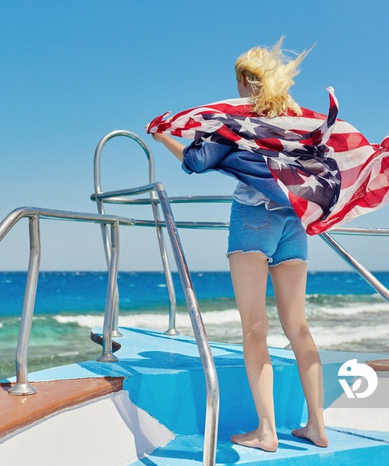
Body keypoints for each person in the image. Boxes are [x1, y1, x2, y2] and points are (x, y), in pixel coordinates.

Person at [149, 40, 329, 452]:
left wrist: (162, 136)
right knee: (298, 327)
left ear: (247, 81)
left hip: (253, 221)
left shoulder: (240, 120)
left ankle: (266, 432)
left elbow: (197, 161)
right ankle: (317, 426)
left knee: (254, 329)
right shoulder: (297, 122)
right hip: (294, 222)